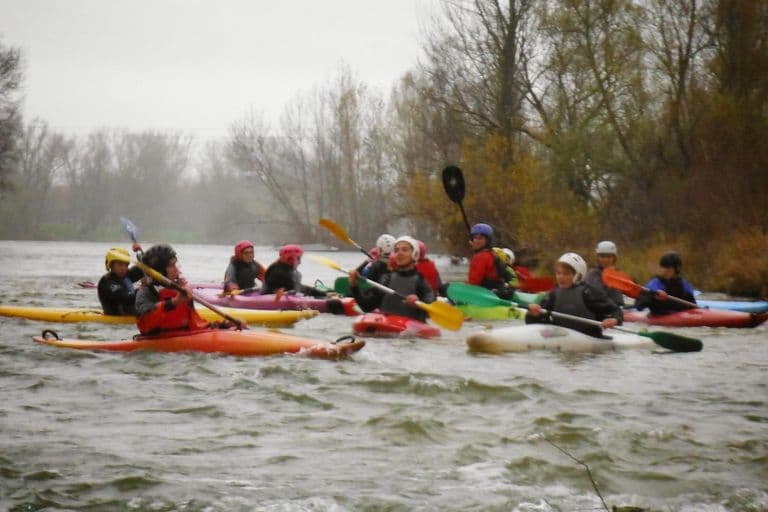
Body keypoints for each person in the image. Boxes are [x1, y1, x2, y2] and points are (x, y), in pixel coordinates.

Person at [526, 252, 623, 338]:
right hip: (561, 338)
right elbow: (534, 323)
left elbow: (616, 310)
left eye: (566, 274)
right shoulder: (553, 294)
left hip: (589, 339)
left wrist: (614, 320)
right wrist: (532, 314)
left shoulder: (589, 293)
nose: (561, 277)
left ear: (578, 276)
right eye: (558, 273)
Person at [349, 236, 435, 322]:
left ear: (415, 254)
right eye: (396, 250)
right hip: (387, 326)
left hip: (410, 329)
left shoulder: (420, 281)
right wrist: (354, 286)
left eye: (404, 250)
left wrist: (419, 304)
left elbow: (431, 304)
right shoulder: (386, 279)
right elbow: (366, 307)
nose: (399, 253)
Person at [135, 244, 210, 335]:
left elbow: (196, 324)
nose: (176, 269)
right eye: (171, 265)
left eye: (175, 264)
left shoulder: (180, 291)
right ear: (160, 270)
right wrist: (174, 302)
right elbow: (144, 323)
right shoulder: (146, 292)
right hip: (158, 342)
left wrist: (221, 326)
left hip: (182, 339)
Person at [634, 251, 697, 315]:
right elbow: (639, 306)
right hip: (659, 315)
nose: (664, 271)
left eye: (668, 268)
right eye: (663, 267)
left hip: (679, 316)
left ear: (677, 269)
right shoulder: (655, 284)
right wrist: (653, 296)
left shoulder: (685, 285)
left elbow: (693, 307)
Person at [261, 244, 329, 298]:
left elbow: (296, 287)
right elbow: (297, 287)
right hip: (269, 297)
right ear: (290, 259)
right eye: (298, 259)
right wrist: (324, 294)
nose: (300, 262)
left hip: (281, 293)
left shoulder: (285, 269)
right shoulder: (279, 272)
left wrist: (324, 293)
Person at [466, 223, 510, 298]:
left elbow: (474, 283)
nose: (476, 241)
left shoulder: (481, 257)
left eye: (480, 238)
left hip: (487, 294)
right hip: (498, 289)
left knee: (446, 287)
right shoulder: (492, 253)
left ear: (487, 240)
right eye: (475, 238)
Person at [97, 246, 144, 315]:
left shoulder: (126, 275)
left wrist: (144, 257)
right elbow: (125, 299)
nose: (123, 268)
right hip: (117, 319)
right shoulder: (107, 281)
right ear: (111, 265)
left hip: (131, 313)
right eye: (120, 265)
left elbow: (142, 269)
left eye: (126, 265)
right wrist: (142, 289)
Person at [584, 240, 625, 307]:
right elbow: (598, 296)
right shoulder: (593, 275)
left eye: (609, 257)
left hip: (618, 309)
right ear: (598, 258)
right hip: (603, 311)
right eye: (602, 256)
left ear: (614, 258)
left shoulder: (618, 273)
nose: (605, 260)